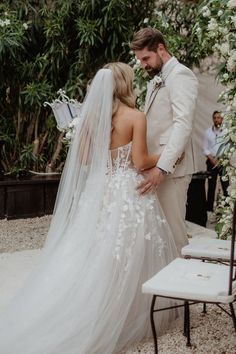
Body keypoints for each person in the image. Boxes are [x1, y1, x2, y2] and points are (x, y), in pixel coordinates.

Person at [0, 63, 178, 354]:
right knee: (126, 253)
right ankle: (122, 311)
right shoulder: (135, 116)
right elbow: (140, 161)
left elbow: (83, 159)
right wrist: (170, 152)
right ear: (124, 85)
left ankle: (85, 304)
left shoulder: (91, 118)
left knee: (93, 249)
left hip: (99, 189)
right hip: (125, 191)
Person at [130, 27, 198, 254]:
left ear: (161, 48)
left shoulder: (180, 75)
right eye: (140, 60)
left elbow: (182, 125)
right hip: (153, 167)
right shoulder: (157, 79)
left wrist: (161, 167)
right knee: (159, 234)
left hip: (171, 170)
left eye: (146, 58)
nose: (143, 65)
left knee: (175, 235)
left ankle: (181, 287)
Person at [203, 110, 228, 214]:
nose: (217, 119)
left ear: (222, 119)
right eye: (215, 117)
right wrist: (212, 159)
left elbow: (228, 146)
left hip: (223, 161)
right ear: (213, 119)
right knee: (211, 185)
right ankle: (209, 209)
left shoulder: (227, 132)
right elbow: (205, 148)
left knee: (226, 185)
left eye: (219, 117)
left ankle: (227, 208)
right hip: (211, 161)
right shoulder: (208, 132)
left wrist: (221, 159)